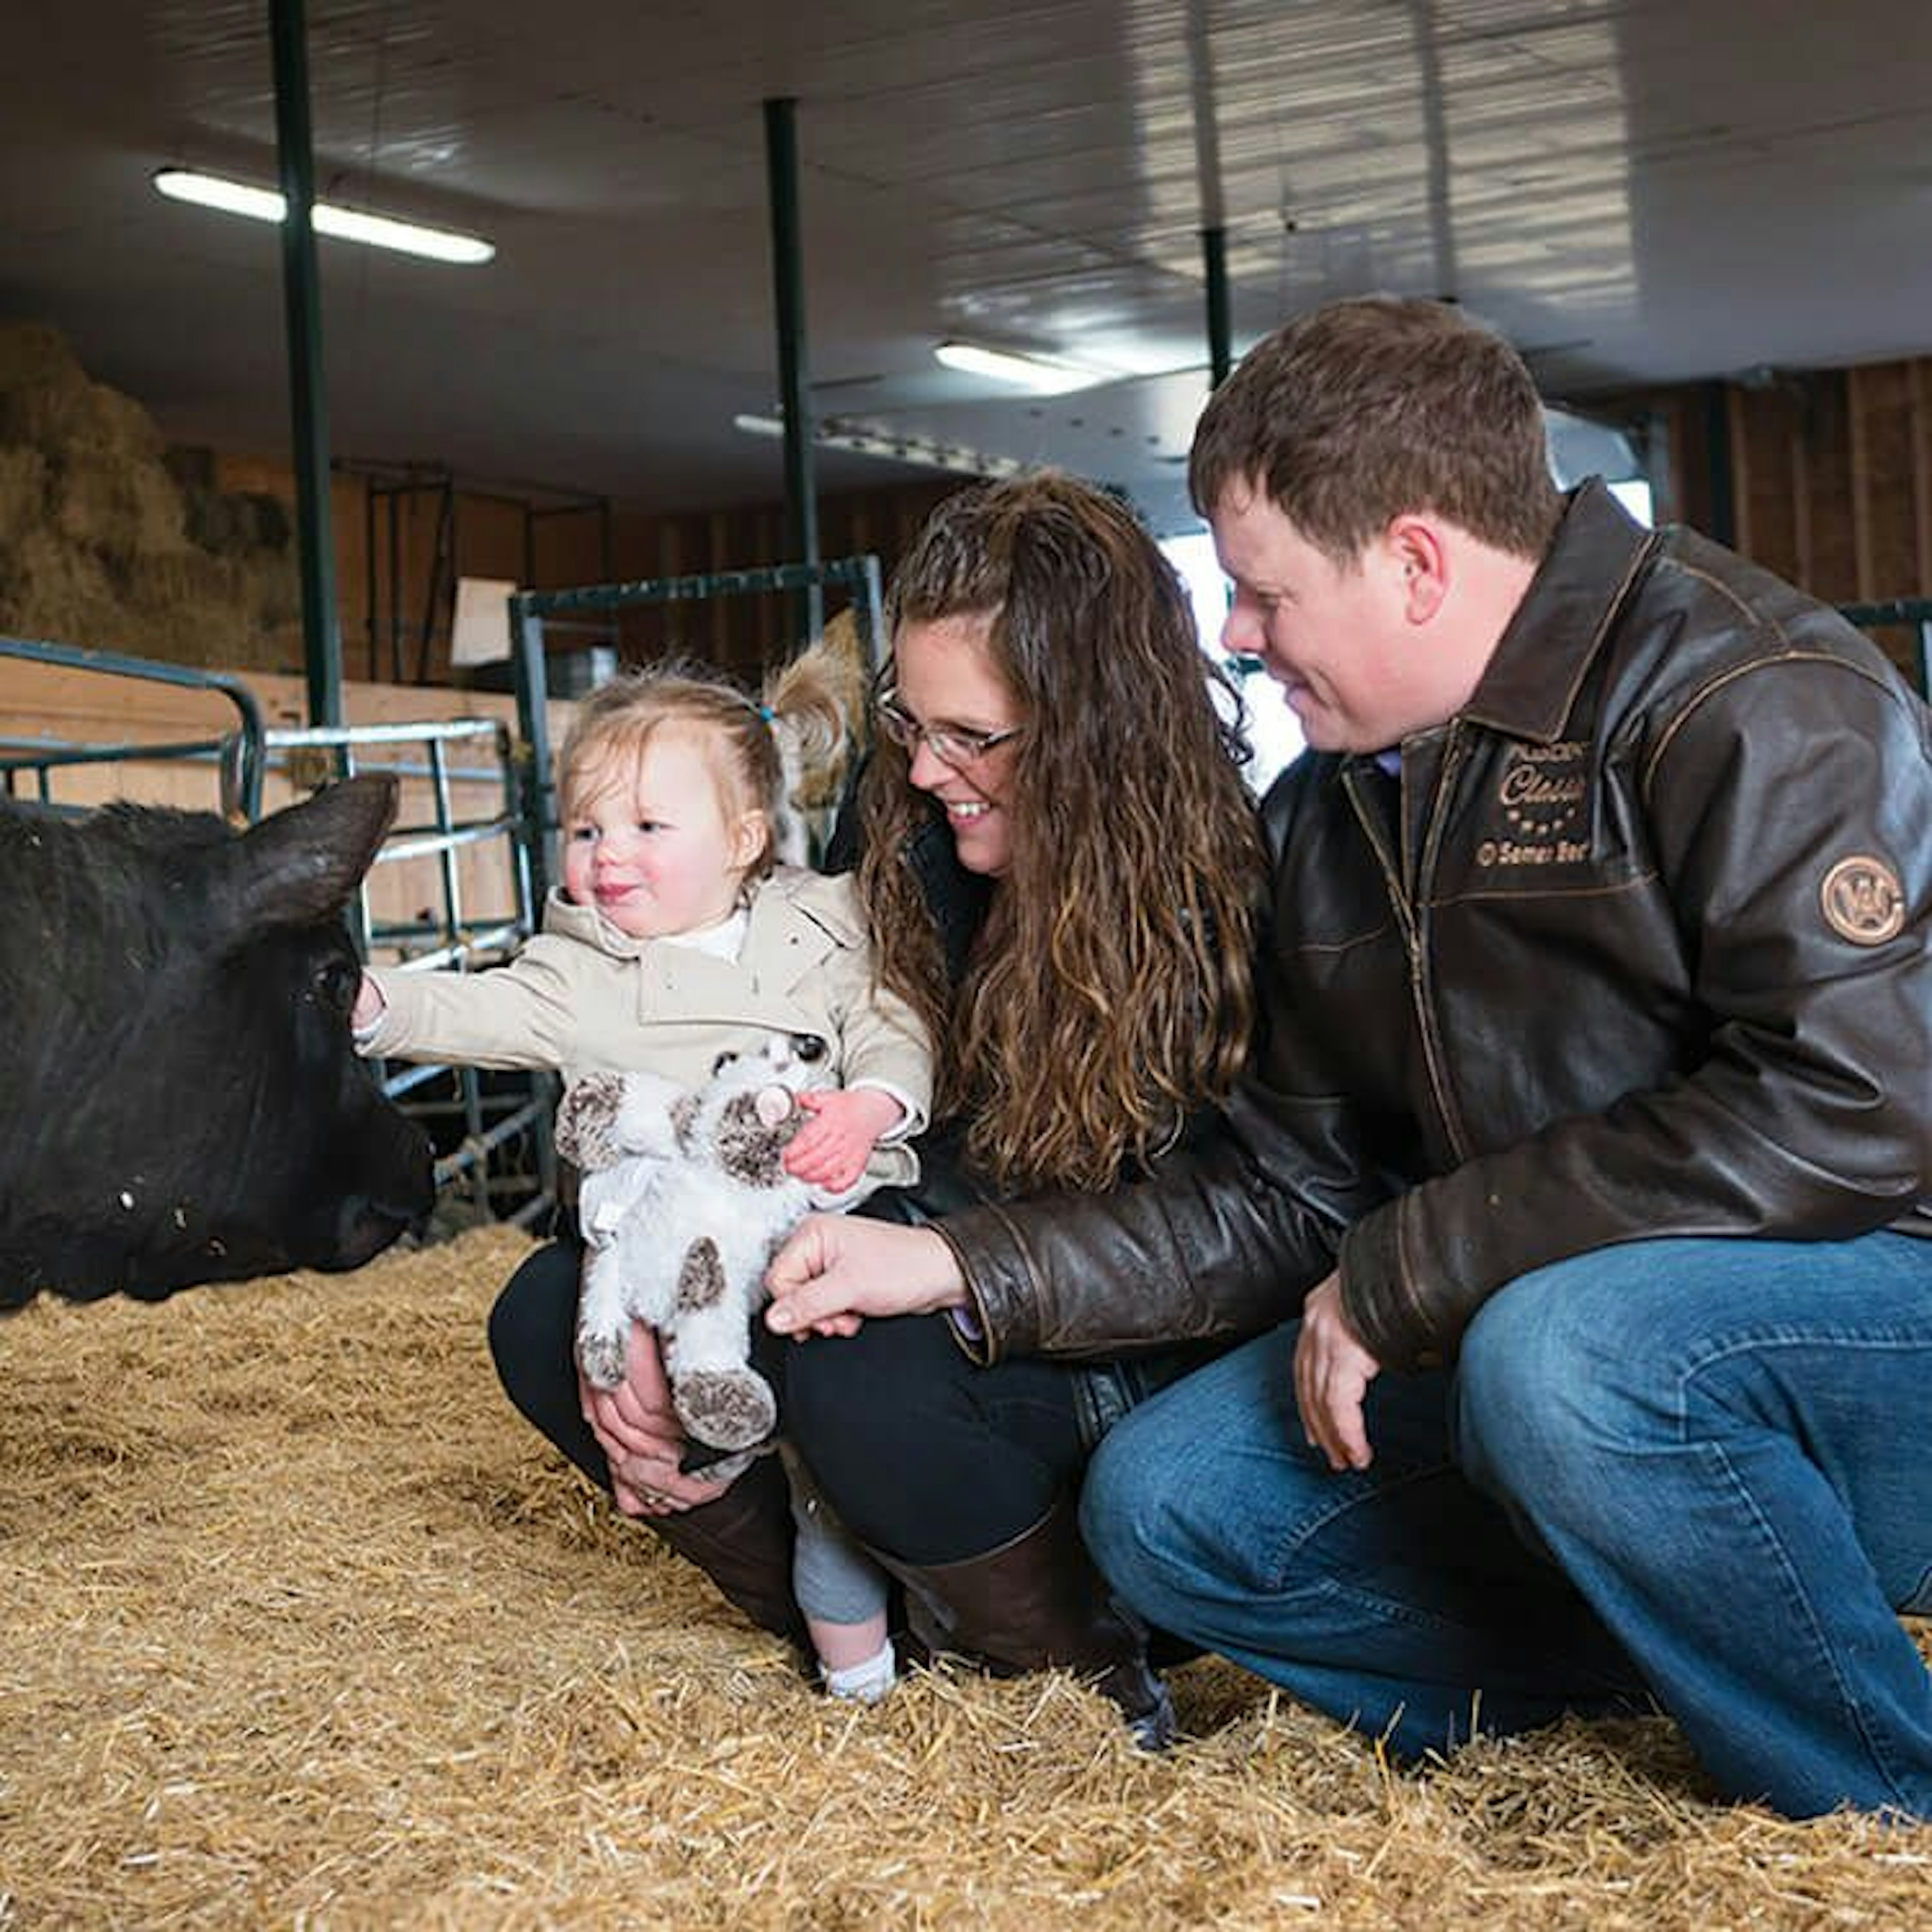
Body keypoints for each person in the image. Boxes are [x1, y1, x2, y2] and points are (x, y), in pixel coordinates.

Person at [766, 296, 1932, 1819]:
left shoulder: (1750, 700)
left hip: (1864, 1321)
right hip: (1557, 1353)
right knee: (1173, 1511)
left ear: (1417, 560)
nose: (1237, 635)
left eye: (1261, 591)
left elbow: (1861, 1104)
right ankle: (1661, 1667)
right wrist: (969, 1271)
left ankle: (1880, 1805)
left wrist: (1422, 1265)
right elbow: (1285, 1191)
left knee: (1561, 1352)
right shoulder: (1332, 815)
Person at [489, 471, 1268, 1743]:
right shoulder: (912, 850)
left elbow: (1239, 1229)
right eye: (912, 719)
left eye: (974, 737)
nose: (923, 764)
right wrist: (665, 1282)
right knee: (550, 1313)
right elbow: (779, 1100)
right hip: (899, 1248)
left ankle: (1071, 1668)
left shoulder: (1226, 893)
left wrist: (945, 1262)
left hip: (1118, 1342)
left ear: (1093, 722)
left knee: (858, 1374)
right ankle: (860, 1633)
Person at [356, 662, 931, 1706]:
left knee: (846, 1453)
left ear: (746, 840)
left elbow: (891, 1028)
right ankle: (863, 1688)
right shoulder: (578, 972)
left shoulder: (830, 924)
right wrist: (360, 1002)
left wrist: (873, 1108)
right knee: (792, 1480)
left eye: (647, 829)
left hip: (832, 1225)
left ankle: (926, 1624)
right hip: (697, 1262)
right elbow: (469, 1012)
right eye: (586, 831)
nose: (608, 854)